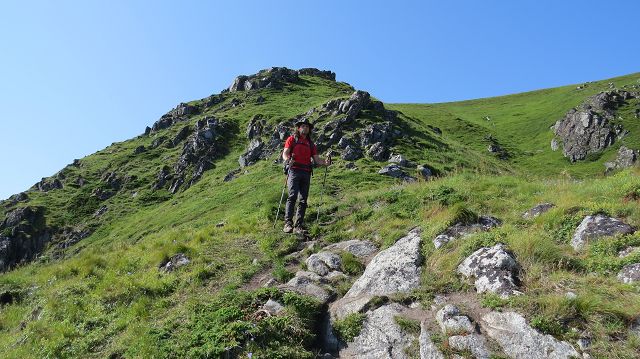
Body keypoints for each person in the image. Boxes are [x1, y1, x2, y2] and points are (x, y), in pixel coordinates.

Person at [281, 118, 331, 234]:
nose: (305, 128)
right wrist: (288, 161)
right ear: (298, 128)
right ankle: (288, 224)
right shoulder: (292, 139)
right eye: (303, 126)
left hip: (306, 172)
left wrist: (325, 163)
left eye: (307, 126)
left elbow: (317, 160)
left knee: (303, 199)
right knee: (292, 196)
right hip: (294, 170)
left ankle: (298, 225)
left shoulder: (311, 144)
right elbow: (285, 153)